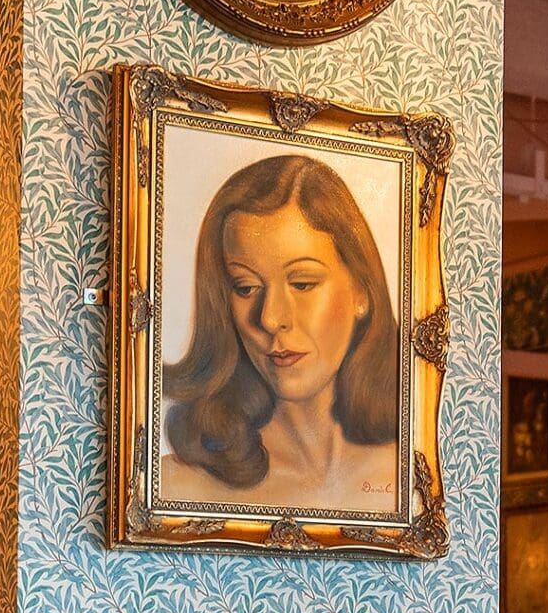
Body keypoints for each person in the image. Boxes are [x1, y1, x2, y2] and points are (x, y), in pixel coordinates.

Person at [160, 152, 400, 516]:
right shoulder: (177, 485)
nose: (271, 318)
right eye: (245, 287)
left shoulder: (410, 481)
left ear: (362, 292)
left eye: (302, 283)